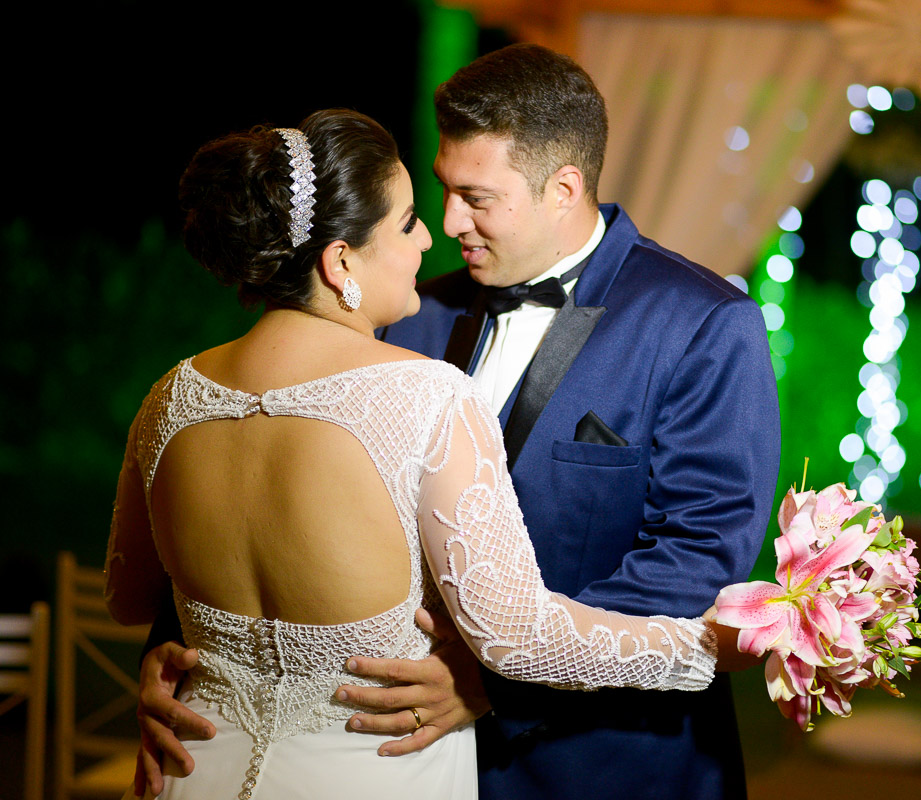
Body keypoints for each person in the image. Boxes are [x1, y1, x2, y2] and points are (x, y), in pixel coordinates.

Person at [107, 108, 734, 800]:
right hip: (368, 772)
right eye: (408, 222)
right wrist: (705, 647)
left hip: (200, 771)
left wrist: (197, 655)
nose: (434, 234)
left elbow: (129, 595)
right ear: (340, 261)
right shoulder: (425, 394)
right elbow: (519, 638)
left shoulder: (170, 398)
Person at [363, 44, 781, 799]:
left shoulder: (704, 322)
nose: (448, 220)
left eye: (477, 197)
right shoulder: (413, 315)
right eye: (444, 190)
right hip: (410, 758)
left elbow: (697, 557)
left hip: (610, 763)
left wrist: (503, 681)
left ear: (564, 188)